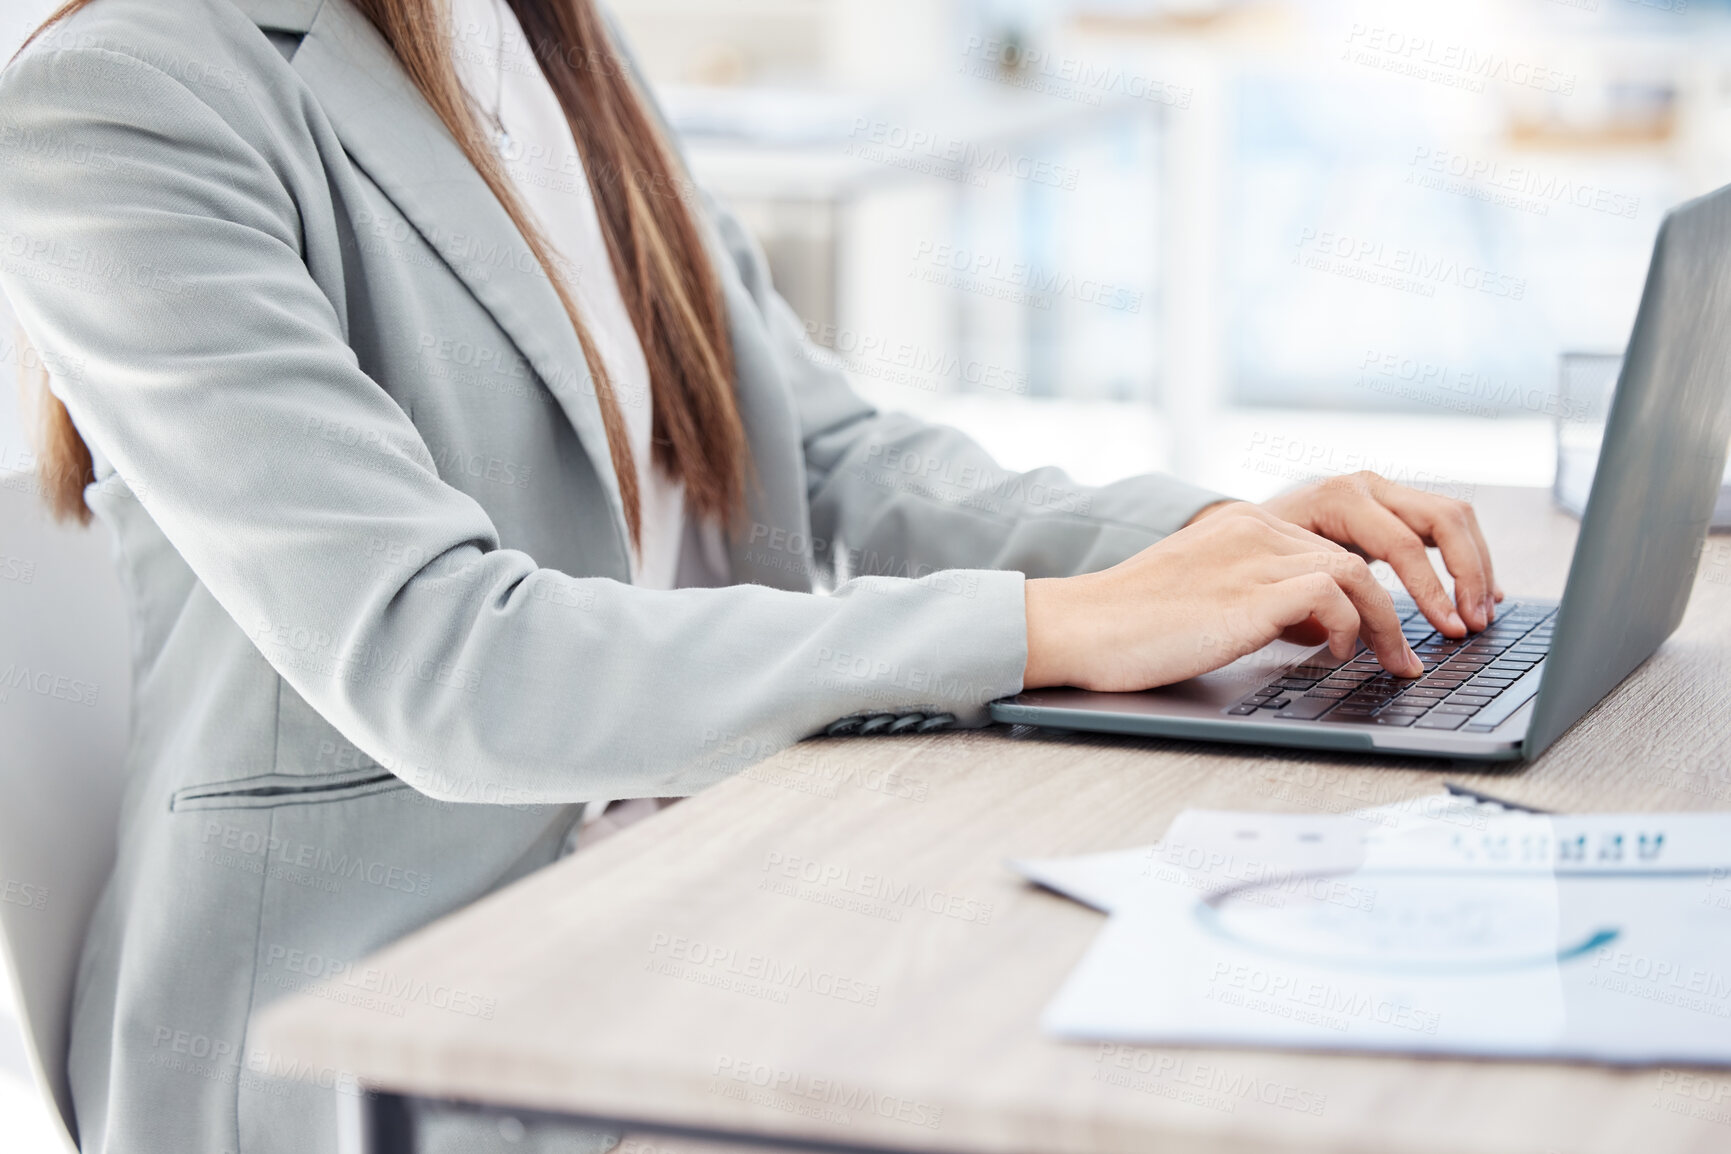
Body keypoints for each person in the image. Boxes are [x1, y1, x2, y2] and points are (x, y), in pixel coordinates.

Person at [0, 0, 1502, 1150]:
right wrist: (1049, 626)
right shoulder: (124, 96)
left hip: (695, 866)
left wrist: (1224, 550)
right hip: (370, 1030)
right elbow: (440, 656)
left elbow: (835, 451)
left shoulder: (539, 40)